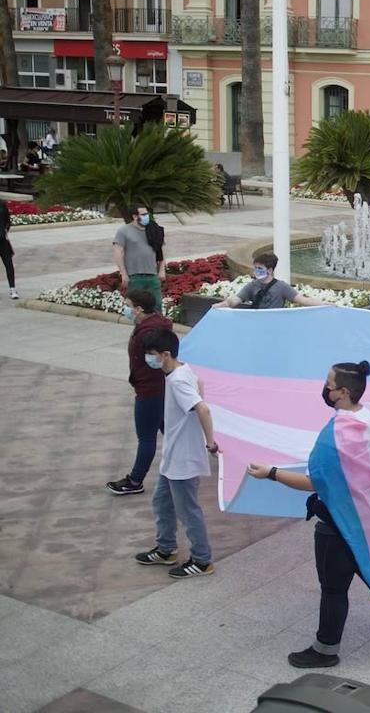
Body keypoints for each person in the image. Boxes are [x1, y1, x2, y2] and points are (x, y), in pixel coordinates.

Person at [247, 361, 370, 668]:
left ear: (343, 392)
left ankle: (325, 650)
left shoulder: (334, 436)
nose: (325, 388)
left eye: (329, 384)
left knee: (334, 589)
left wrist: (271, 473)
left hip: (340, 524)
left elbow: (314, 482)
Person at [133, 328, 218, 578]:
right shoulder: (182, 370)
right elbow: (200, 384)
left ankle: (202, 560)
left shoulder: (179, 380)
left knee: (187, 510)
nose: (149, 359)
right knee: (162, 503)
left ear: (165, 354)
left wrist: (210, 443)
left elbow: (203, 409)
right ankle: (166, 549)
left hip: (183, 459)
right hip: (173, 456)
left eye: (151, 354)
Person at [106, 288, 174, 495]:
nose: (125, 309)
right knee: (171, 433)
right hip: (160, 388)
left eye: (128, 306)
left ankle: (135, 481)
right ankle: (181, 468)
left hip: (150, 390)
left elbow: (154, 361)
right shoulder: (156, 324)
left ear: (138, 309)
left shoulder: (148, 333)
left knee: (146, 438)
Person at [214, 253, 327, 309]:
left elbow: (302, 300)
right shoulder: (252, 286)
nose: (256, 271)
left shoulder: (282, 287)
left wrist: (324, 304)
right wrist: (222, 304)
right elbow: (236, 299)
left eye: (260, 269)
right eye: (255, 268)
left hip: (275, 326)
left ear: (270, 270)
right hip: (257, 325)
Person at [113, 205, 165, 311]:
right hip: (134, 276)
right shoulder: (124, 231)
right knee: (138, 308)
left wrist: (162, 270)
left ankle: (158, 327)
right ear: (135, 216)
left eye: (147, 214)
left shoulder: (154, 229)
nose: (147, 217)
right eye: (143, 214)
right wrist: (123, 273)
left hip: (152, 275)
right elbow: (118, 253)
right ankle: (142, 327)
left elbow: (161, 250)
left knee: (157, 305)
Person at [0, 199, 15, 299]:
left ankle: (12, 289)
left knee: (9, 263)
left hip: (2, 239)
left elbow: (7, 220)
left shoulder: (2, 204)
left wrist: (5, 229)